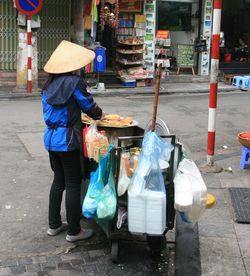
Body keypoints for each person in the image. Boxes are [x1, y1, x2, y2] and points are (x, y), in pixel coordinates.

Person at [42, 40, 104, 242]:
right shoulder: (74, 83)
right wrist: (99, 115)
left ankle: (54, 225)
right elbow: (87, 104)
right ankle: (74, 231)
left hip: (51, 139)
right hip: (68, 140)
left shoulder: (48, 85)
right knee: (73, 182)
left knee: (58, 180)